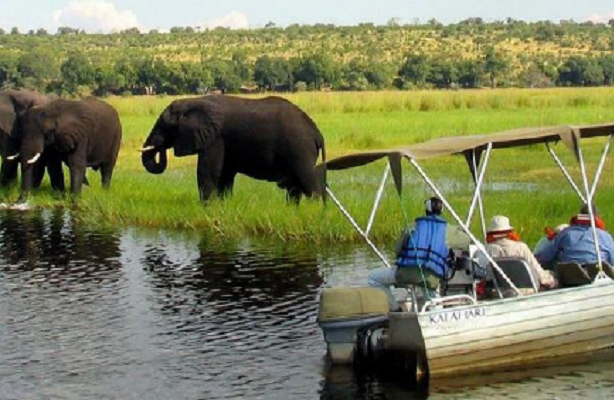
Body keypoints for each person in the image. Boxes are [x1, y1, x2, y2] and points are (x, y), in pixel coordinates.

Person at [368, 197, 449, 311]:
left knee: (374, 278)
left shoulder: (412, 227)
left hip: (406, 274)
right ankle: (435, 317)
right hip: (431, 277)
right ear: (441, 211)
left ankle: (396, 310)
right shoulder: (448, 230)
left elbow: (397, 250)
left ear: (426, 210)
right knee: (430, 289)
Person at [478, 215, 557, 290]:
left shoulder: (487, 249)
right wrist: (552, 282)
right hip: (525, 290)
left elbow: (483, 275)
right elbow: (538, 272)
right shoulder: (521, 247)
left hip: (498, 291)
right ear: (509, 231)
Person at [535, 204, 614, 266]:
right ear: (597, 217)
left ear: (580, 215)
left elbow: (545, 256)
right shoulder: (606, 236)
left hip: (570, 277)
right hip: (599, 278)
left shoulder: (565, 233)